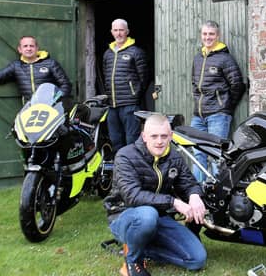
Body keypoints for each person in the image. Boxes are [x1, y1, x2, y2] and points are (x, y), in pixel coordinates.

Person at [104, 114, 207, 276]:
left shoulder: (174, 157)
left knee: (197, 259)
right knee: (147, 215)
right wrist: (174, 202)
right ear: (144, 136)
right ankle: (132, 261)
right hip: (124, 215)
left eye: (164, 136)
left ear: (171, 136)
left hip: (159, 217)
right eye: (154, 136)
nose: (159, 141)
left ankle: (140, 247)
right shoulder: (125, 155)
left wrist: (194, 195)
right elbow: (133, 196)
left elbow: (189, 183)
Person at [190, 20, 245, 181]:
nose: (208, 37)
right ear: (201, 36)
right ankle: (197, 192)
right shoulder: (198, 57)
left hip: (218, 115)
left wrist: (225, 106)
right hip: (198, 116)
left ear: (218, 36)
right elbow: (195, 83)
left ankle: (215, 192)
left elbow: (238, 85)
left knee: (216, 154)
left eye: (211, 34)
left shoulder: (225, 58)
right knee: (197, 153)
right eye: (205, 34)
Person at [103, 19, 149, 152]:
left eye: (121, 30)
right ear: (112, 32)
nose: (118, 33)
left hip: (130, 104)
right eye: (116, 30)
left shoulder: (136, 52)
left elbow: (144, 78)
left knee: (131, 139)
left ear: (127, 32)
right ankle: (120, 169)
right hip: (112, 105)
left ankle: (133, 169)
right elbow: (106, 75)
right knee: (115, 139)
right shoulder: (108, 54)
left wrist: (135, 95)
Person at [0, 35, 72, 102]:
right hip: (29, 109)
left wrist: (55, 99)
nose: (28, 49)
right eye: (25, 46)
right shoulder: (16, 66)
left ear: (37, 48)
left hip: (51, 107)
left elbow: (66, 85)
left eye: (31, 46)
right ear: (20, 49)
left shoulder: (50, 63)